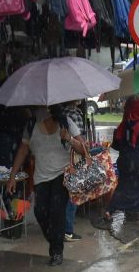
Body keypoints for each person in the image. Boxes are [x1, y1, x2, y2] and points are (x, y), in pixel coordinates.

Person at [7, 104, 87, 266]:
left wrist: (69, 139)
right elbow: (23, 150)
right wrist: (12, 176)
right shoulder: (31, 125)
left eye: (45, 108)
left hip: (62, 176)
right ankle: (55, 240)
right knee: (40, 212)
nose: (41, 110)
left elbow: (84, 150)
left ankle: (56, 252)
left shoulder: (67, 123)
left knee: (57, 213)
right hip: (41, 177)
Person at [105, 96, 139, 220]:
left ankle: (110, 210)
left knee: (123, 187)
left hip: (124, 161)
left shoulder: (123, 124)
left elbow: (117, 144)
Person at [63, 100, 86, 242]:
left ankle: (63, 228)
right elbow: (80, 142)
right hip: (72, 160)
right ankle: (68, 231)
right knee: (73, 196)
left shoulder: (61, 114)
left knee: (65, 196)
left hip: (61, 161)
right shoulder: (73, 115)